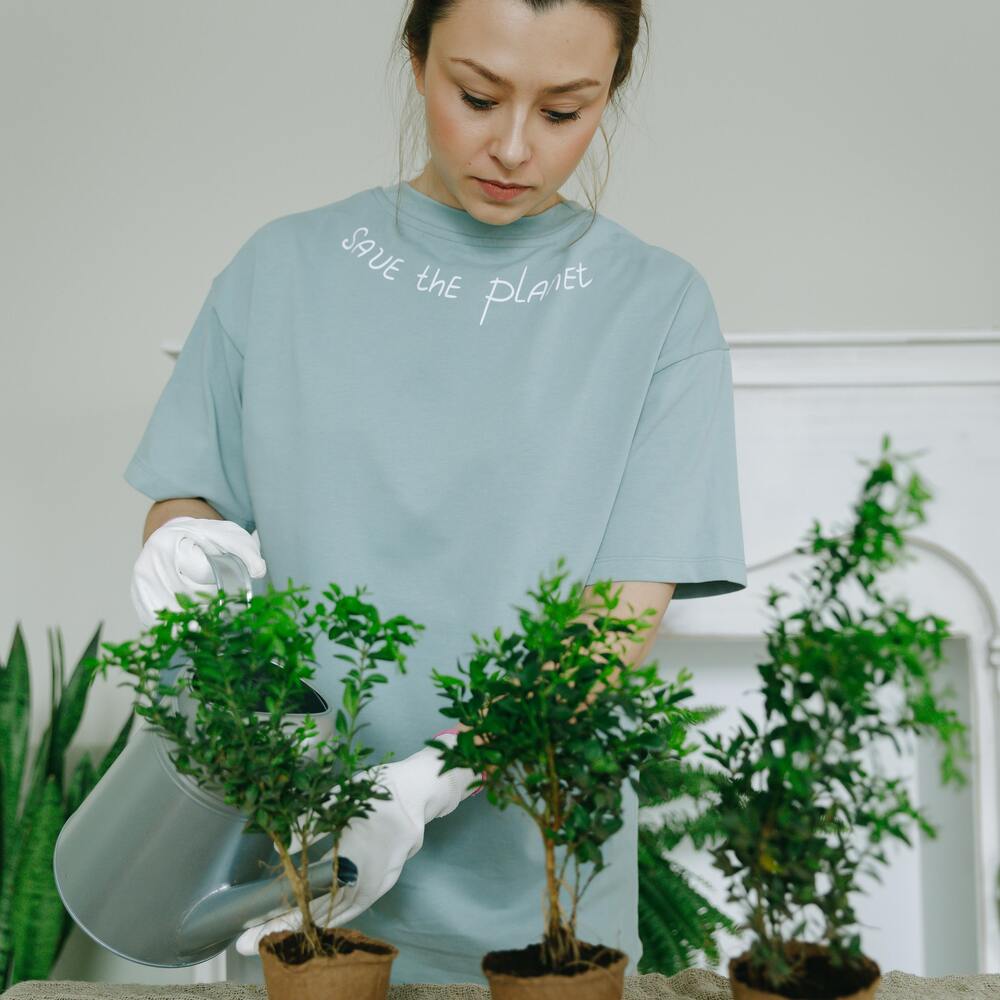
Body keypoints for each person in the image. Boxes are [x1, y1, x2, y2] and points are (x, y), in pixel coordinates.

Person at [125, 0, 747, 986]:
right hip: (296, 875)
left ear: (610, 96)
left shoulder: (657, 307)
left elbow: (620, 614)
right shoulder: (278, 271)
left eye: (563, 112)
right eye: (477, 95)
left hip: (539, 895)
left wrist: (429, 780)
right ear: (416, 59)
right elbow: (187, 499)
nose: (511, 146)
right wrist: (181, 550)